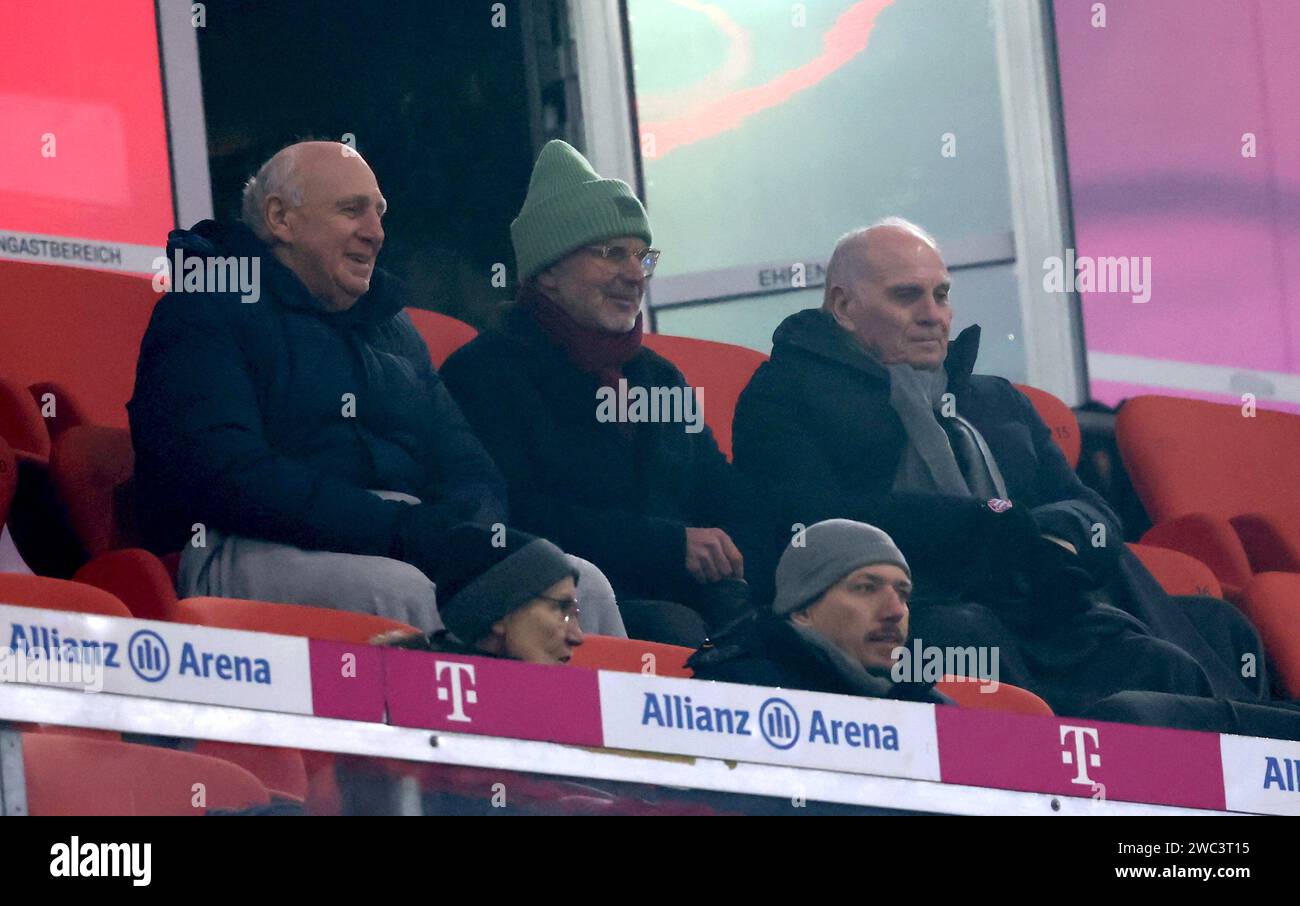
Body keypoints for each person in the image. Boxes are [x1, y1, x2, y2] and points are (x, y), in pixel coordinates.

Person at [730, 218, 1269, 717]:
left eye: (941, 295)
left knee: (1220, 624)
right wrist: (990, 529)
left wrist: (1061, 537)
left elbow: (1094, 511)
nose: (932, 314)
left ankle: (1247, 743)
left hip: (1044, 601)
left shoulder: (994, 400)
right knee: (1001, 637)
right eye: (906, 296)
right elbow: (815, 528)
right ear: (844, 307)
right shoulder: (785, 393)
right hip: (927, 608)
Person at [129, 140, 621, 634]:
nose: (376, 233)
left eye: (380, 213)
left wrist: (464, 533)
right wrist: (400, 531)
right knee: (404, 595)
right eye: (352, 211)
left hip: (398, 539)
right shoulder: (204, 308)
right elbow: (224, 473)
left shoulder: (394, 329)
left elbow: (469, 466)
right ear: (281, 219)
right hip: (247, 542)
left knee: (582, 587)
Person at [440, 140, 751, 647]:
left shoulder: (659, 379)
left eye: (642, 256)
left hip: (690, 605)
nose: (634, 275)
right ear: (546, 272)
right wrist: (668, 545)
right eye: (611, 254)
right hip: (575, 607)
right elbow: (512, 514)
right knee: (681, 633)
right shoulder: (486, 373)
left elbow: (724, 498)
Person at [689, 519, 947, 704]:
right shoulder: (730, 697)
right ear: (802, 610)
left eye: (903, 594)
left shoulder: (935, 713)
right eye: (867, 588)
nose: (895, 611)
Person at [376, 523, 584, 665]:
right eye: (561, 608)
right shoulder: (414, 694)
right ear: (500, 614)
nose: (577, 637)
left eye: (575, 612)